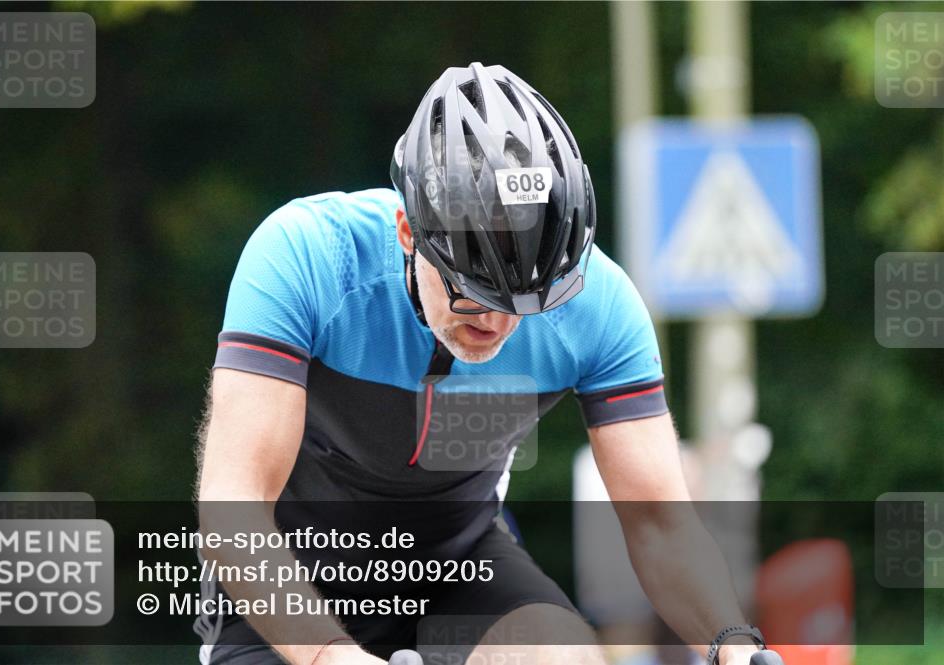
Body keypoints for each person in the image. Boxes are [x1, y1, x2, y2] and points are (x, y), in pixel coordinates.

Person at [196, 62, 773, 665]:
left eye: (530, 298)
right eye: (473, 291)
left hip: (459, 561)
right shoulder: (306, 255)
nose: (497, 321)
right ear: (407, 232)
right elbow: (233, 500)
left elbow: (658, 522)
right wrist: (328, 657)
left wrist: (735, 646)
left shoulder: (598, 301)